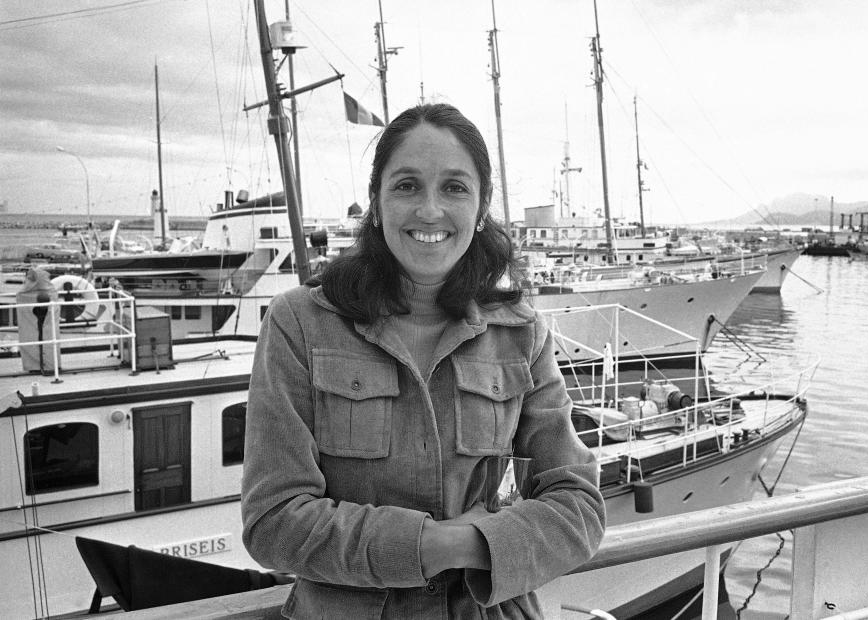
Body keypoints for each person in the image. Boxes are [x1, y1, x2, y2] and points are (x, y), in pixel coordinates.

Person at [241, 103, 605, 619]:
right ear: (377, 201)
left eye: (454, 187)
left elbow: (579, 506)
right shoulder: (299, 322)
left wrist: (468, 545)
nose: (430, 210)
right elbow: (273, 521)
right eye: (407, 185)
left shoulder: (520, 332)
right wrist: (432, 545)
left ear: (481, 207)